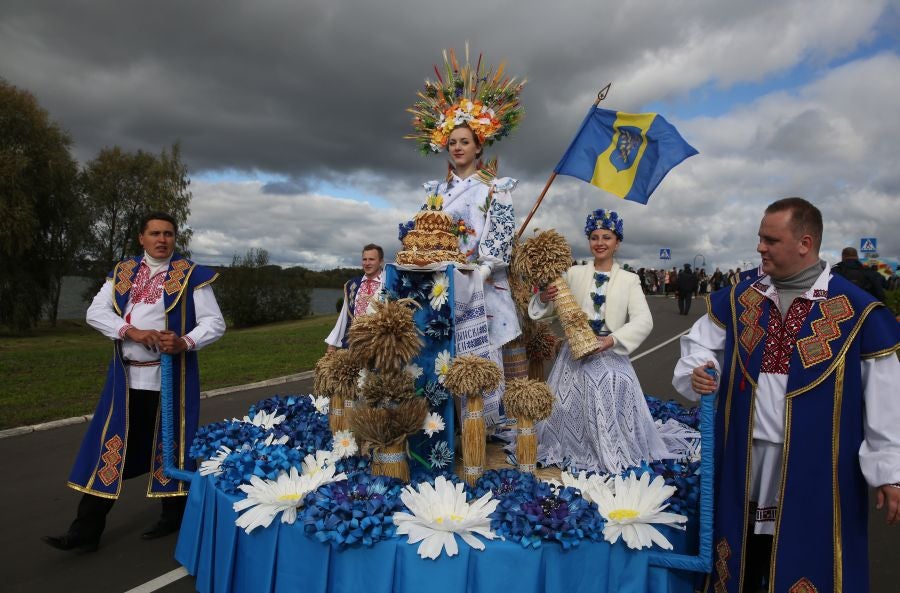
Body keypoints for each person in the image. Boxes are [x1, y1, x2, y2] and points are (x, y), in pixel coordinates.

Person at [672, 198, 899, 593]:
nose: (760, 247)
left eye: (770, 239)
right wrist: (699, 371)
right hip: (747, 456)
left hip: (819, 465)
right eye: (760, 238)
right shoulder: (742, 297)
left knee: (806, 551)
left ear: (804, 243)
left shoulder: (857, 310)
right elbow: (699, 345)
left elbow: (885, 396)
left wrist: (889, 472)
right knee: (746, 551)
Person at [43, 212, 226, 552]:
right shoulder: (124, 272)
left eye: (168, 234)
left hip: (171, 376)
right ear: (141, 238)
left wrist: (185, 341)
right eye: (155, 233)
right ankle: (85, 532)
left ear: (175, 238)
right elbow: (95, 312)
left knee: (172, 446)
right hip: (126, 377)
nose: (162, 239)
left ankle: (173, 516)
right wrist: (131, 331)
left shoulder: (190, 275)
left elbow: (214, 323)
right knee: (110, 448)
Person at [529, 209, 673, 473]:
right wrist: (544, 298)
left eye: (606, 237)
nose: (600, 242)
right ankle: (572, 445)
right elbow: (546, 312)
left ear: (617, 242)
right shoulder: (573, 273)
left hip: (610, 352)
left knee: (609, 384)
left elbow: (644, 321)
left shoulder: (630, 280)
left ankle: (610, 445)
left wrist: (611, 341)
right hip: (574, 354)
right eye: (594, 237)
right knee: (564, 407)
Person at [325, 244, 384, 352]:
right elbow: (344, 315)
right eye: (364, 259)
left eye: (371, 259)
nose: (367, 263)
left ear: (381, 261)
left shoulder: (388, 284)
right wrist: (332, 343)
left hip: (380, 346)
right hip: (353, 345)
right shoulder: (352, 285)